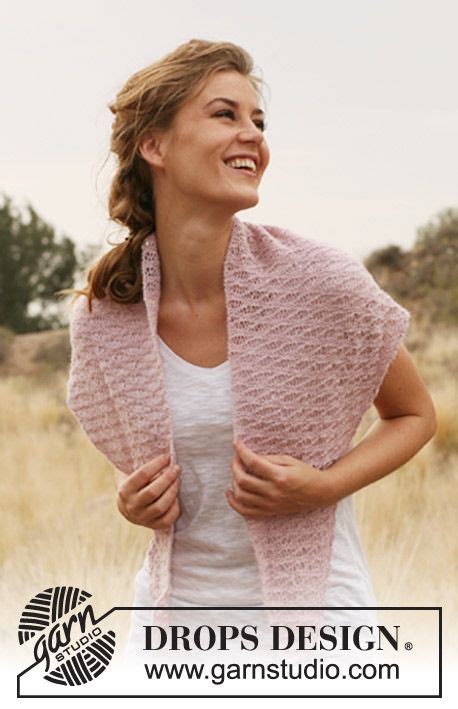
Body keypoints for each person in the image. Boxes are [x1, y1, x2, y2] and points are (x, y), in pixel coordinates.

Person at [66, 39, 436, 658]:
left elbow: (414, 415)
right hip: (170, 628)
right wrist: (131, 498)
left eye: (258, 121)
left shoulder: (320, 283)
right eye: (224, 114)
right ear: (154, 146)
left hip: (319, 626)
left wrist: (325, 486)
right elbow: (139, 458)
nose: (253, 136)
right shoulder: (107, 316)